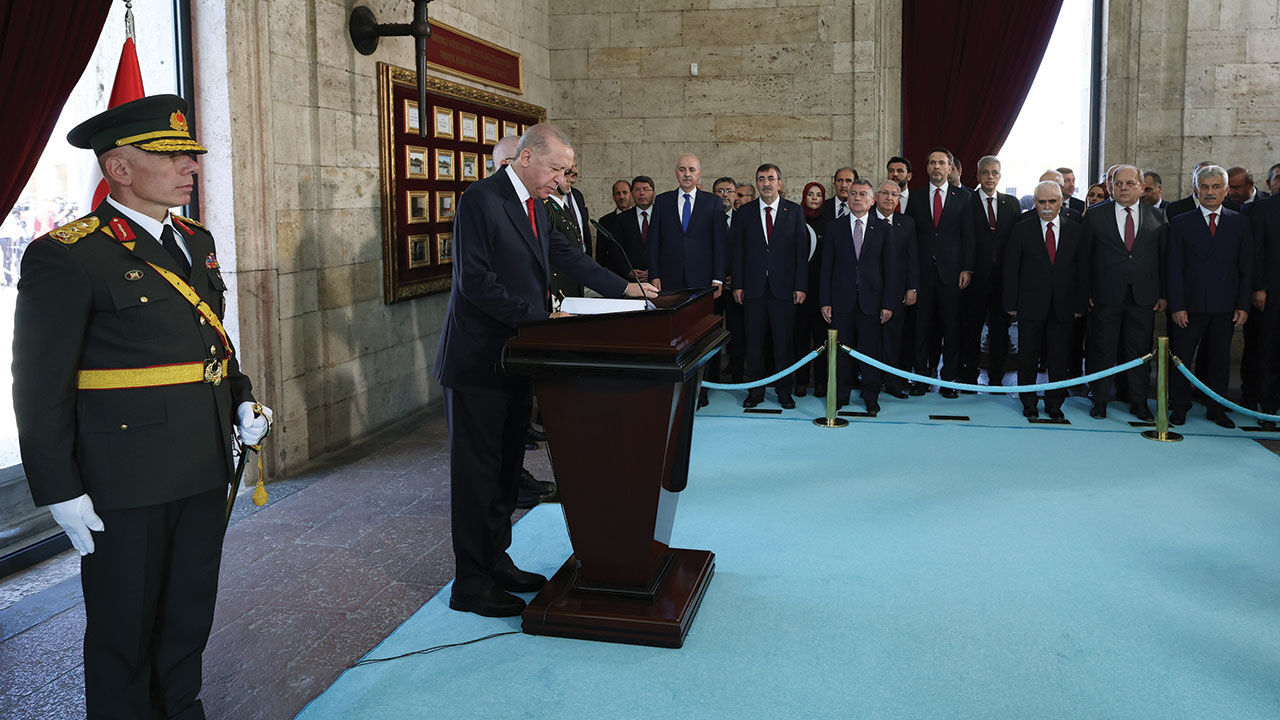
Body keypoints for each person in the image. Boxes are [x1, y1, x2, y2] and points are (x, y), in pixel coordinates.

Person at [13, 94, 272, 719]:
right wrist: (59, 488)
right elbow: (38, 384)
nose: (191, 166)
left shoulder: (195, 239)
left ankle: (179, 709)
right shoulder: (69, 254)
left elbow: (211, 339)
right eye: (173, 155)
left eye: (192, 154)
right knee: (123, 626)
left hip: (205, 460)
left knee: (187, 610)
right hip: (124, 477)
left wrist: (239, 399)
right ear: (119, 170)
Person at [433, 123, 656, 618]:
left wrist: (626, 290)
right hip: (477, 364)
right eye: (556, 169)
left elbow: (569, 257)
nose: (561, 179)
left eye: (565, 172)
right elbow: (476, 283)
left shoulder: (535, 207)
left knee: (507, 471)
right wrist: (542, 317)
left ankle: (496, 561)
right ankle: (470, 582)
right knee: (478, 477)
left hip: (518, 358)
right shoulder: (481, 200)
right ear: (527, 157)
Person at [1166, 164, 1254, 428]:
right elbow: (1173, 268)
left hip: (1224, 305)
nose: (1210, 192)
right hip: (1189, 307)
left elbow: (1246, 267)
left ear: (1226, 190)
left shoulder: (1240, 222)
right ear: (1196, 189)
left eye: (1216, 187)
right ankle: (1179, 407)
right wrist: (1177, 305)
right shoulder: (1181, 223)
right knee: (1180, 359)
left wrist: (1242, 304)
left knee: (1219, 360)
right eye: (1204, 187)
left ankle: (1217, 408)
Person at [1083, 165, 1168, 420]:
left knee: (1139, 352)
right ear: (1111, 187)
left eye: (1130, 183)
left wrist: (1163, 294)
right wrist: (1086, 291)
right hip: (1105, 295)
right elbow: (1085, 259)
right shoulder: (1095, 216)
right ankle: (1099, 401)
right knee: (1102, 349)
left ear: (1141, 188)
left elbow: (1164, 260)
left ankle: (1138, 402)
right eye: (1118, 184)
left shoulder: (1158, 217)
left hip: (1143, 297)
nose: (1123, 188)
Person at [1004, 181, 1089, 420]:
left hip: (1064, 306)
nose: (1047, 207)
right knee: (1027, 356)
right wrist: (1010, 304)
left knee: (1059, 358)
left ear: (1061, 202)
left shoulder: (1076, 230)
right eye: (1041, 202)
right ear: (1034, 202)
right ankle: (1028, 402)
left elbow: (1083, 271)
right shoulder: (1022, 229)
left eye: (1052, 201)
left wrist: (1080, 305)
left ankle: (1054, 404)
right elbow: (1011, 269)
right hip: (1030, 305)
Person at [648, 154, 728, 406]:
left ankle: (702, 388)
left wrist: (717, 279)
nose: (686, 174)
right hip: (670, 281)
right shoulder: (662, 201)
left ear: (699, 175)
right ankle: (676, 386)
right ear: (675, 173)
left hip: (703, 282)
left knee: (701, 333)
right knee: (675, 334)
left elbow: (720, 245)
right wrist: (654, 275)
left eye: (691, 170)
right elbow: (654, 243)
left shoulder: (712, 203)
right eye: (682, 169)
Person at [819, 178, 900, 414]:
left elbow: (890, 270)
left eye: (863, 194)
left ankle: (871, 396)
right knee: (841, 352)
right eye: (853, 194)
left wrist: (888, 304)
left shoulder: (883, 229)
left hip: (872, 303)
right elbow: (826, 268)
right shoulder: (835, 227)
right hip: (841, 301)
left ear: (872, 200)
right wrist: (825, 301)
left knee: (870, 353)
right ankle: (841, 395)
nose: (857, 198)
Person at [731, 163, 808, 409]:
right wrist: (738, 285)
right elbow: (739, 253)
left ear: (780, 183)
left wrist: (800, 286)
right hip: (752, 289)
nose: (766, 183)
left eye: (771, 178)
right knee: (754, 343)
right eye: (761, 179)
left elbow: (801, 252)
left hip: (784, 289)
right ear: (757, 183)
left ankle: (785, 391)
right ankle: (756, 392)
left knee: (783, 343)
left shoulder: (794, 212)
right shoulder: (745, 213)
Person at [906, 147, 975, 398]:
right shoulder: (914, 198)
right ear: (926, 168)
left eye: (941, 163)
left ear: (950, 168)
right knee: (921, 328)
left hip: (953, 274)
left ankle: (949, 380)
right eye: (932, 163)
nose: (936, 167)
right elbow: (910, 240)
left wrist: (967, 267)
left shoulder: (963, 197)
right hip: (923, 275)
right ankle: (922, 379)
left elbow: (969, 236)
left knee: (951, 328)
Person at [962, 155, 1021, 388]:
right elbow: (964, 239)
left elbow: (1017, 243)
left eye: (994, 172)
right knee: (971, 329)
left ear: (1000, 176)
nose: (990, 177)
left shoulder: (1012, 203)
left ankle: (996, 379)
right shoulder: (967, 201)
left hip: (1003, 280)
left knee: (1000, 332)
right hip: (975, 278)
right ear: (978, 176)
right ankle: (969, 376)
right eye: (985, 172)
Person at [873, 180, 919, 399]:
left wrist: (912, 288)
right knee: (869, 339)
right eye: (885, 193)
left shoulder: (906, 223)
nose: (889, 198)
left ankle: (892, 382)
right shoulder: (866, 219)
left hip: (897, 292)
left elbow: (913, 259)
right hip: (868, 292)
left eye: (894, 194)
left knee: (893, 340)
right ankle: (869, 381)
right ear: (876, 196)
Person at [794, 181, 827, 396]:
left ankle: (822, 381)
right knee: (799, 339)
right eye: (810, 194)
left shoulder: (830, 222)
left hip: (821, 291)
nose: (814, 198)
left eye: (818, 195)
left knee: (823, 339)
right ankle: (801, 381)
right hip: (799, 291)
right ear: (804, 197)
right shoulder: (794, 219)